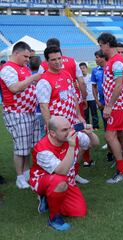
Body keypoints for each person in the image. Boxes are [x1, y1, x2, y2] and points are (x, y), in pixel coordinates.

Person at [29, 116, 99, 231]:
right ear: (52, 133)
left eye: (69, 128)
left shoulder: (72, 136)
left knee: (79, 211)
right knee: (59, 180)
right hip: (42, 180)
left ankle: (49, 199)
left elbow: (95, 144)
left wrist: (90, 134)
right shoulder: (42, 149)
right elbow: (62, 170)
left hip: (66, 179)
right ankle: (54, 218)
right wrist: (71, 146)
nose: (69, 132)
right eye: (64, 130)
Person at [36, 45, 89, 184]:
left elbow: (73, 97)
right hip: (58, 126)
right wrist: (49, 127)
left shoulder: (66, 74)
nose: (58, 62)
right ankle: (55, 182)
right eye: (53, 60)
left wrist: (79, 115)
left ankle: (73, 173)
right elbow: (43, 106)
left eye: (59, 58)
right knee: (60, 152)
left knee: (83, 143)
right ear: (47, 61)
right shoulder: (44, 81)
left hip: (72, 121)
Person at [0, 41, 41, 189]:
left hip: (29, 111)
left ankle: (26, 172)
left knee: (29, 145)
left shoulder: (23, 67)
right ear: (16, 53)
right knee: (21, 147)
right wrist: (33, 78)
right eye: (25, 56)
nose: (27, 60)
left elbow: (29, 86)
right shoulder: (7, 69)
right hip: (16, 112)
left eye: (29, 57)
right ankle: (19, 177)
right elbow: (14, 88)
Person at [97, 32, 123, 184]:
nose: (100, 48)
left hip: (118, 105)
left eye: (101, 45)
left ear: (107, 44)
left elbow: (119, 85)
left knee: (110, 136)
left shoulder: (117, 62)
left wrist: (109, 105)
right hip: (120, 105)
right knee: (122, 134)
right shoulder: (114, 61)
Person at [80, 62, 99, 130]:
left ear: (86, 68)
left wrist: (97, 96)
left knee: (94, 113)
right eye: (81, 68)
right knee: (86, 114)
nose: (82, 70)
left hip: (92, 98)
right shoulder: (79, 79)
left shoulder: (91, 76)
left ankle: (95, 126)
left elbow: (95, 87)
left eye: (83, 68)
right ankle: (87, 126)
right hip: (84, 99)